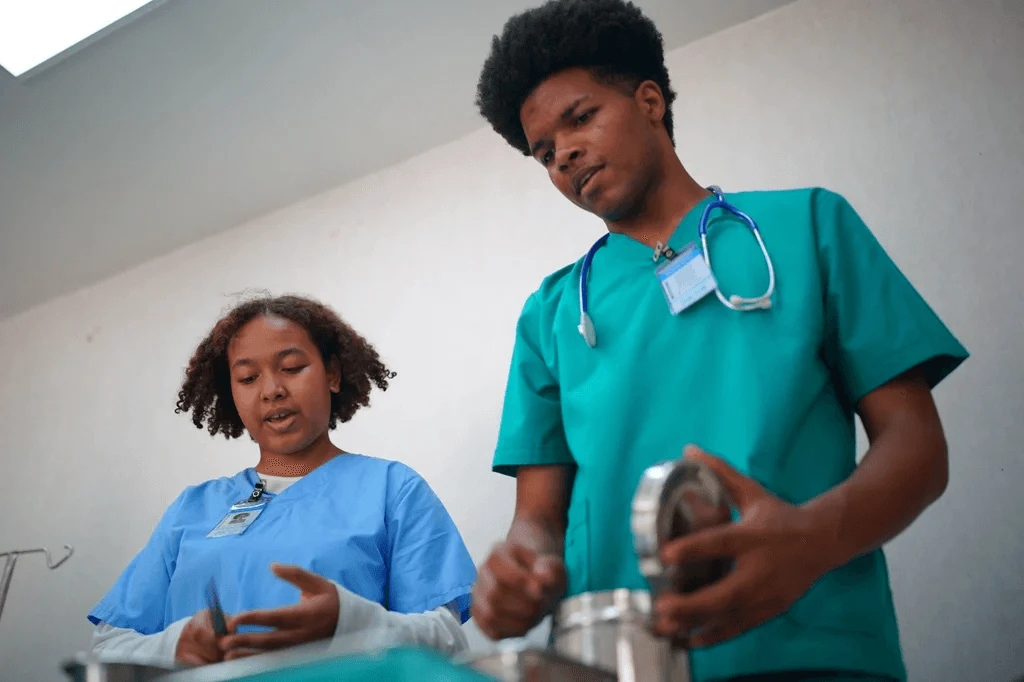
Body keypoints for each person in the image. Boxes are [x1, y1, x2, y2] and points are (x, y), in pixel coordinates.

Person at [469, 1, 968, 680]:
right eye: (545, 154)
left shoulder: (807, 228)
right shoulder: (553, 313)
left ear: (649, 101)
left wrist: (814, 541)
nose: (566, 158)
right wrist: (518, 568)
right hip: (613, 662)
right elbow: (538, 519)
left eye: (580, 118)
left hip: (806, 650)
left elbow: (917, 448)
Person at [88, 294, 476, 667]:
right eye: (247, 377)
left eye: (291, 368)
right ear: (232, 394)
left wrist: (351, 624)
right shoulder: (193, 508)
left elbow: (447, 639)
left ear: (333, 374)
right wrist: (174, 645)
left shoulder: (392, 489)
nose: (272, 390)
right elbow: (109, 644)